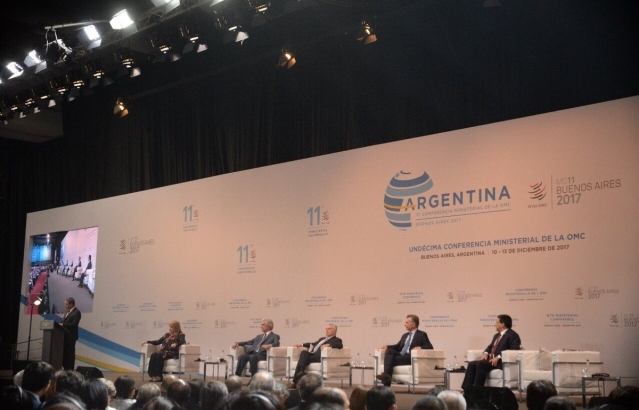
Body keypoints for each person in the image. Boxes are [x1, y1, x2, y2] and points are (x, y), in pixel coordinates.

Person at [461, 314, 521, 393]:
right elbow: (490, 347)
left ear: (503, 324)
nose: (495, 324)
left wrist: (499, 357)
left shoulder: (513, 335)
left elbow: (514, 349)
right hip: (491, 361)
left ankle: (478, 391)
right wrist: (486, 353)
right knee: (472, 364)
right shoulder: (496, 335)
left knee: (480, 364)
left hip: (500, 362)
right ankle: (467, 389)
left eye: (497, 322)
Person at [376, 314, 433, 387]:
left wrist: (420, 347)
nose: (404, 324)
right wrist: (387, 346)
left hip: (409, 357)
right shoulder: (405, 335)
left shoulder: (421, 334)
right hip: (401, 355)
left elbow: (429, 346)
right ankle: (386, 377)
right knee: (389, 351)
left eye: (407, 322)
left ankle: (386, 380)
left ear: (413, 324)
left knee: (389, 360)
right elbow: (398, 346)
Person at [57, 297, 81, 370]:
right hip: (65, 336)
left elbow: (74, 324)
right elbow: (64, 322)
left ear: (71, 304)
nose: (65, 305)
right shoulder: (67, 311)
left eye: (66, 304)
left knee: (70, 353)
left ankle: (70, 368)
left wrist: (63, 325)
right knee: (65, 353)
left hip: (71, 336)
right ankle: (65, 367)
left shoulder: (77, 312)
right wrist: (60, 324)